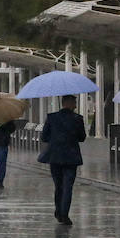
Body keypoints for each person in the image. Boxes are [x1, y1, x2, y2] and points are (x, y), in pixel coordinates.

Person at [39, 94, 86, 225]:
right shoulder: (77, 119)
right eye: (74, 102)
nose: (76, 105)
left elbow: (44, 137)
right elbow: (82, 137)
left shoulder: (52, 117)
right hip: (71, 157)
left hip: (55, 156)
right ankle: (64, 213)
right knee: (68, 186)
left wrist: (56, 139)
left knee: (59, 186)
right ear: (68, 103)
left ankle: (59, 211)